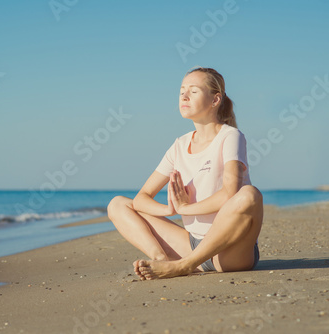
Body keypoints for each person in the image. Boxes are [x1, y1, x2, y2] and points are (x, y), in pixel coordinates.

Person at [107, 67, 263, 280]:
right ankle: (161, 259)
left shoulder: (230, 136)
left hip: (229, 253)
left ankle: (183, 266)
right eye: (181, 91)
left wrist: (186, 208)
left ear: (215, 100)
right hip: (190, 244)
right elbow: (141, 199)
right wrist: (170, 209)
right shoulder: (179, 145)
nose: (184, 96)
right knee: (117, 204)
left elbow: (230, 194)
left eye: (194, 91)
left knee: (250, 195)